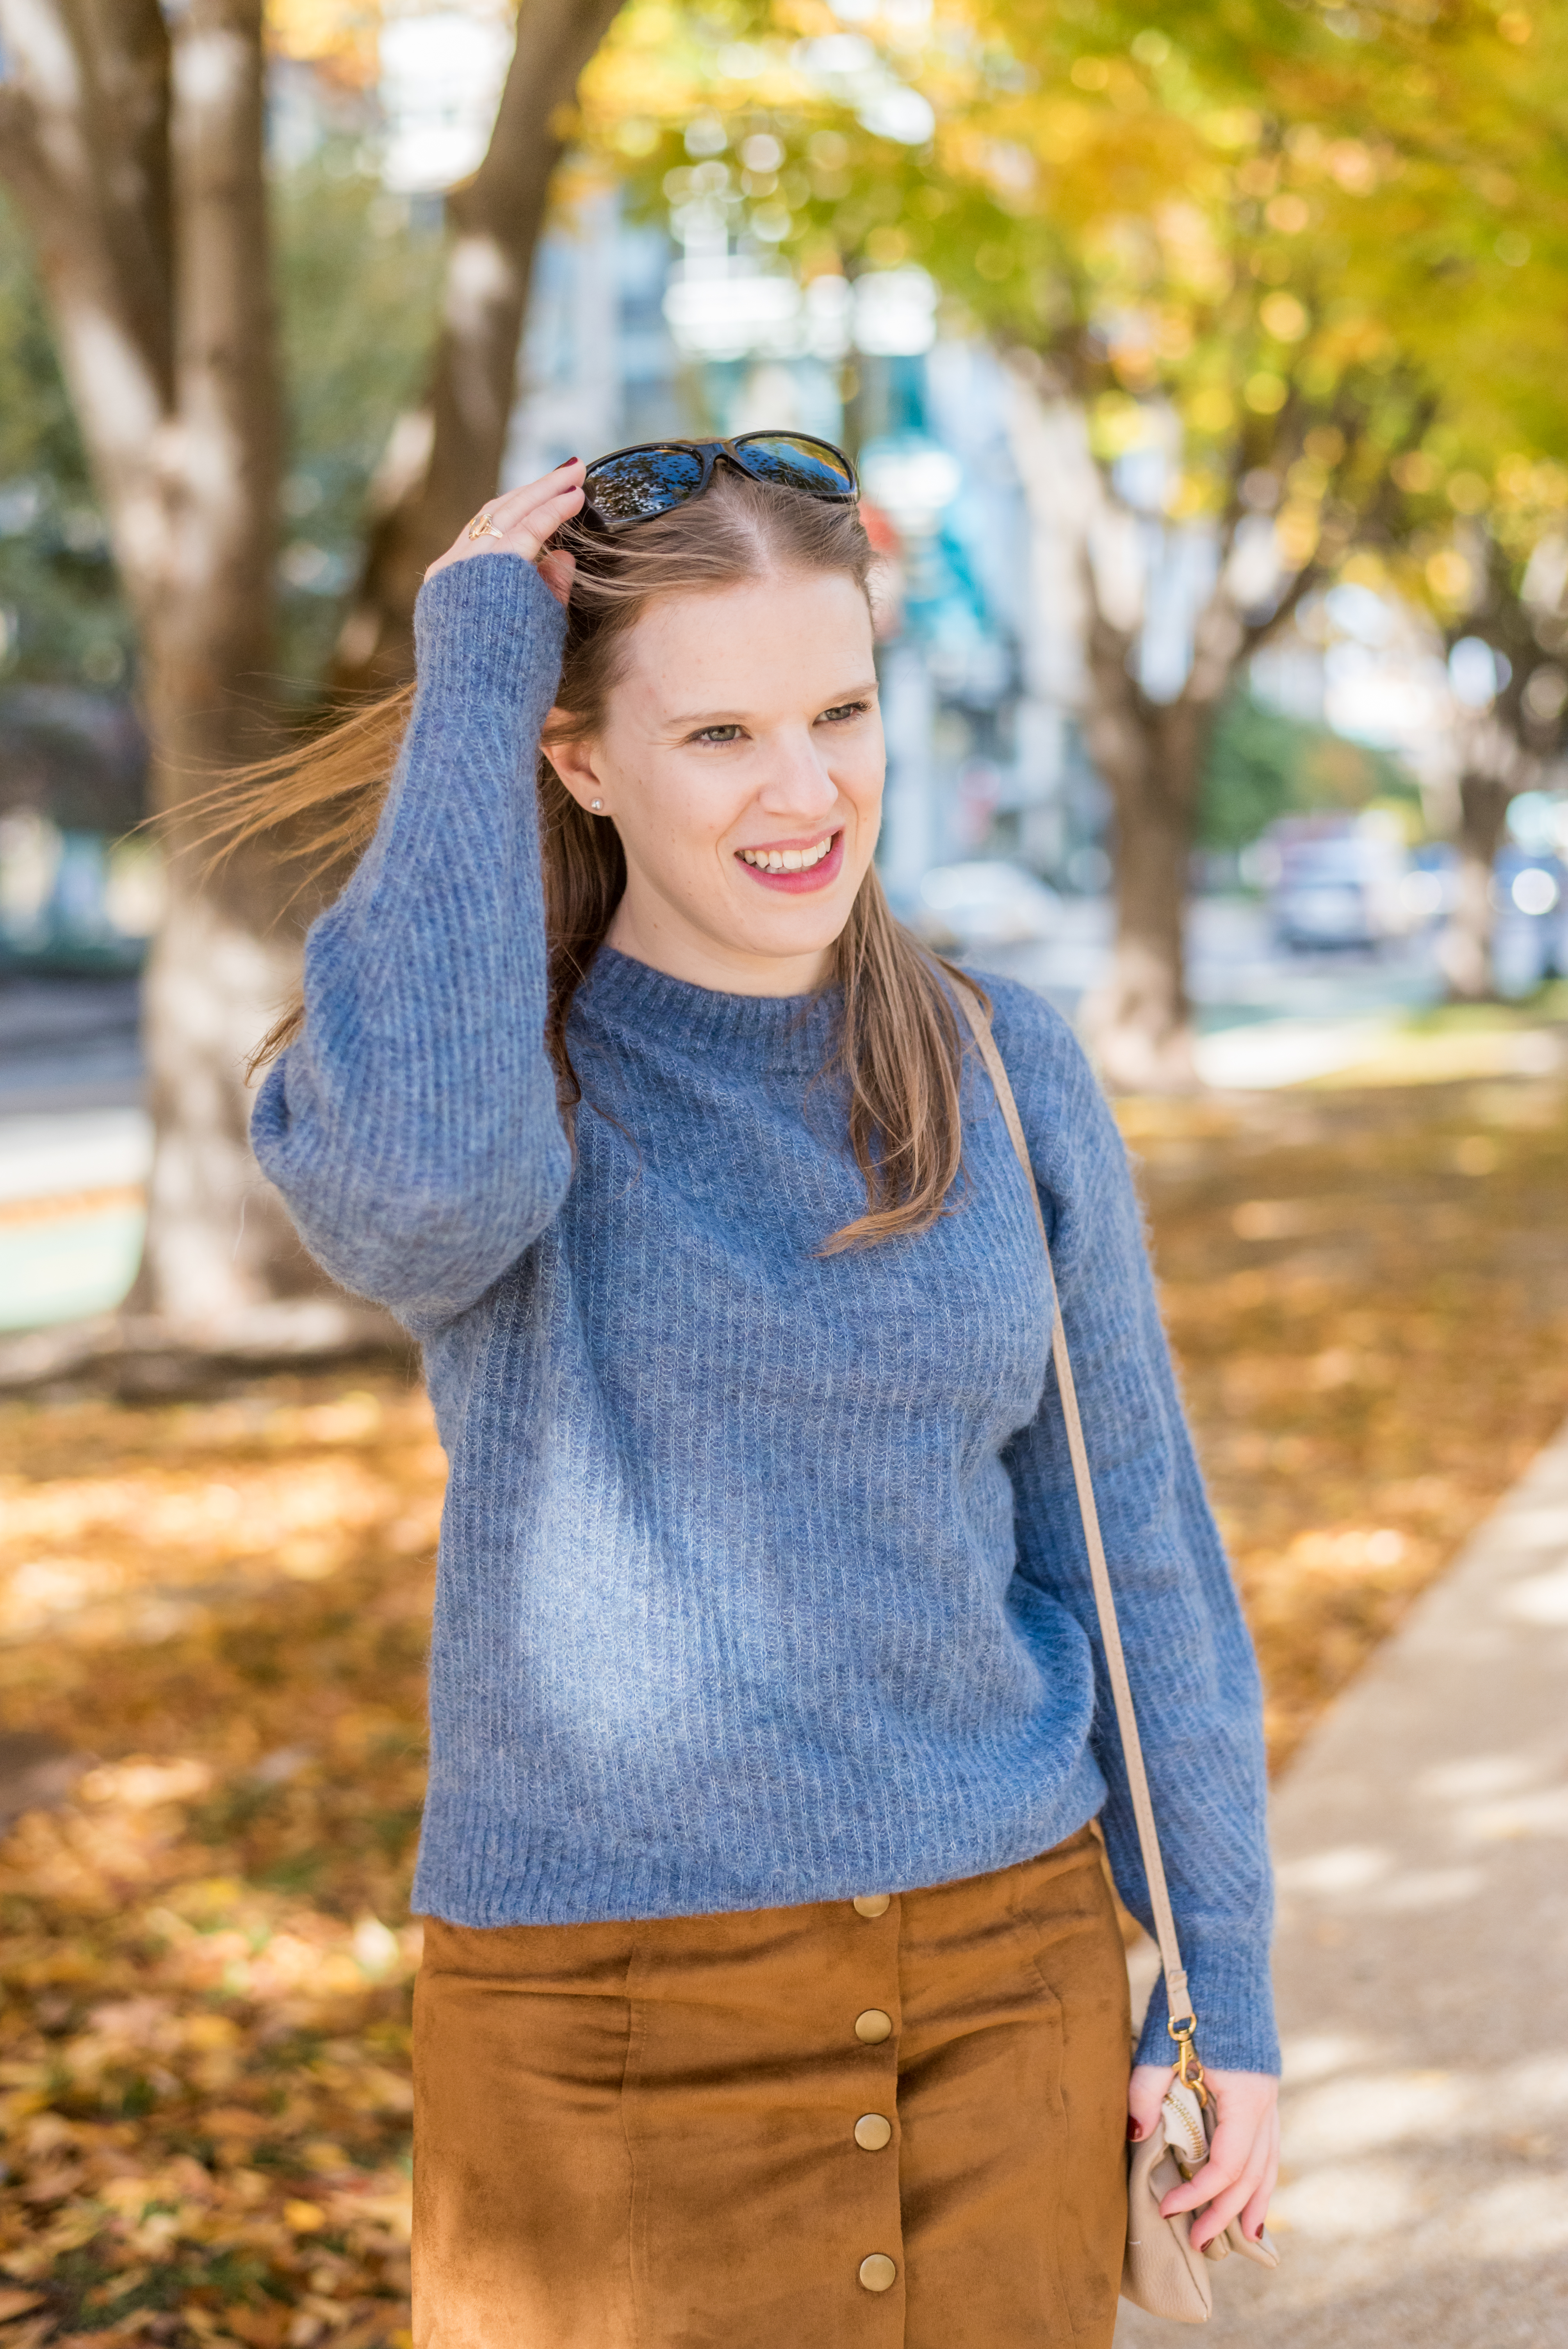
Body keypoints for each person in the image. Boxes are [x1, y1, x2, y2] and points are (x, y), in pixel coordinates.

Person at [244, 438, 1279, 2349]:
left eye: (838, 708)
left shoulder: (997, 1059)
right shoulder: (500, 1075)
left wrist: (1220, 1983)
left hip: (1008, 1985)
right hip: (604, 2027)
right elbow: (412, 1199)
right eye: (716, 735)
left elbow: (1135, 1544)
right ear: (577, 759)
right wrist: (477, 659)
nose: (806, 790)